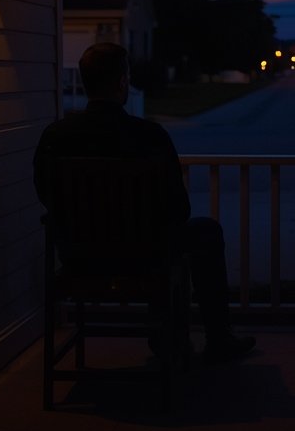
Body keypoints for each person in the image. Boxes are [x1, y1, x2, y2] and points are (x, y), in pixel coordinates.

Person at [33, 42, 255, 364]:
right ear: (123, 82)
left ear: (85, 82)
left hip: (80, 259)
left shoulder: (56, 137)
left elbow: (46, 195)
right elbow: (180, 209)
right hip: (145, 258)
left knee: (169, 239)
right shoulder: (149, 136)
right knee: (204, 232)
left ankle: (172, 338)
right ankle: (211, 337)